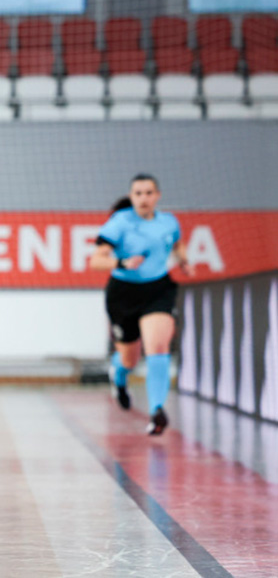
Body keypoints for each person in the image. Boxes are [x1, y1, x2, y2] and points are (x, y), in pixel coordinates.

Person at [90, 174, 194, 435]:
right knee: (130, 358)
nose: (144, 198)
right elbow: (96, 260)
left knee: (157, 346)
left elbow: (177, 243)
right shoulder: (120, 223)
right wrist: (122, 262)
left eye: (149, 193)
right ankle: (119, 376)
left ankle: (157, 411)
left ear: (157, 196)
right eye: (138, 193)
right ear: (132, 196)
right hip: (123, 293)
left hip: (157, 289)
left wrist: (183, 260)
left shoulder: (168, 222)